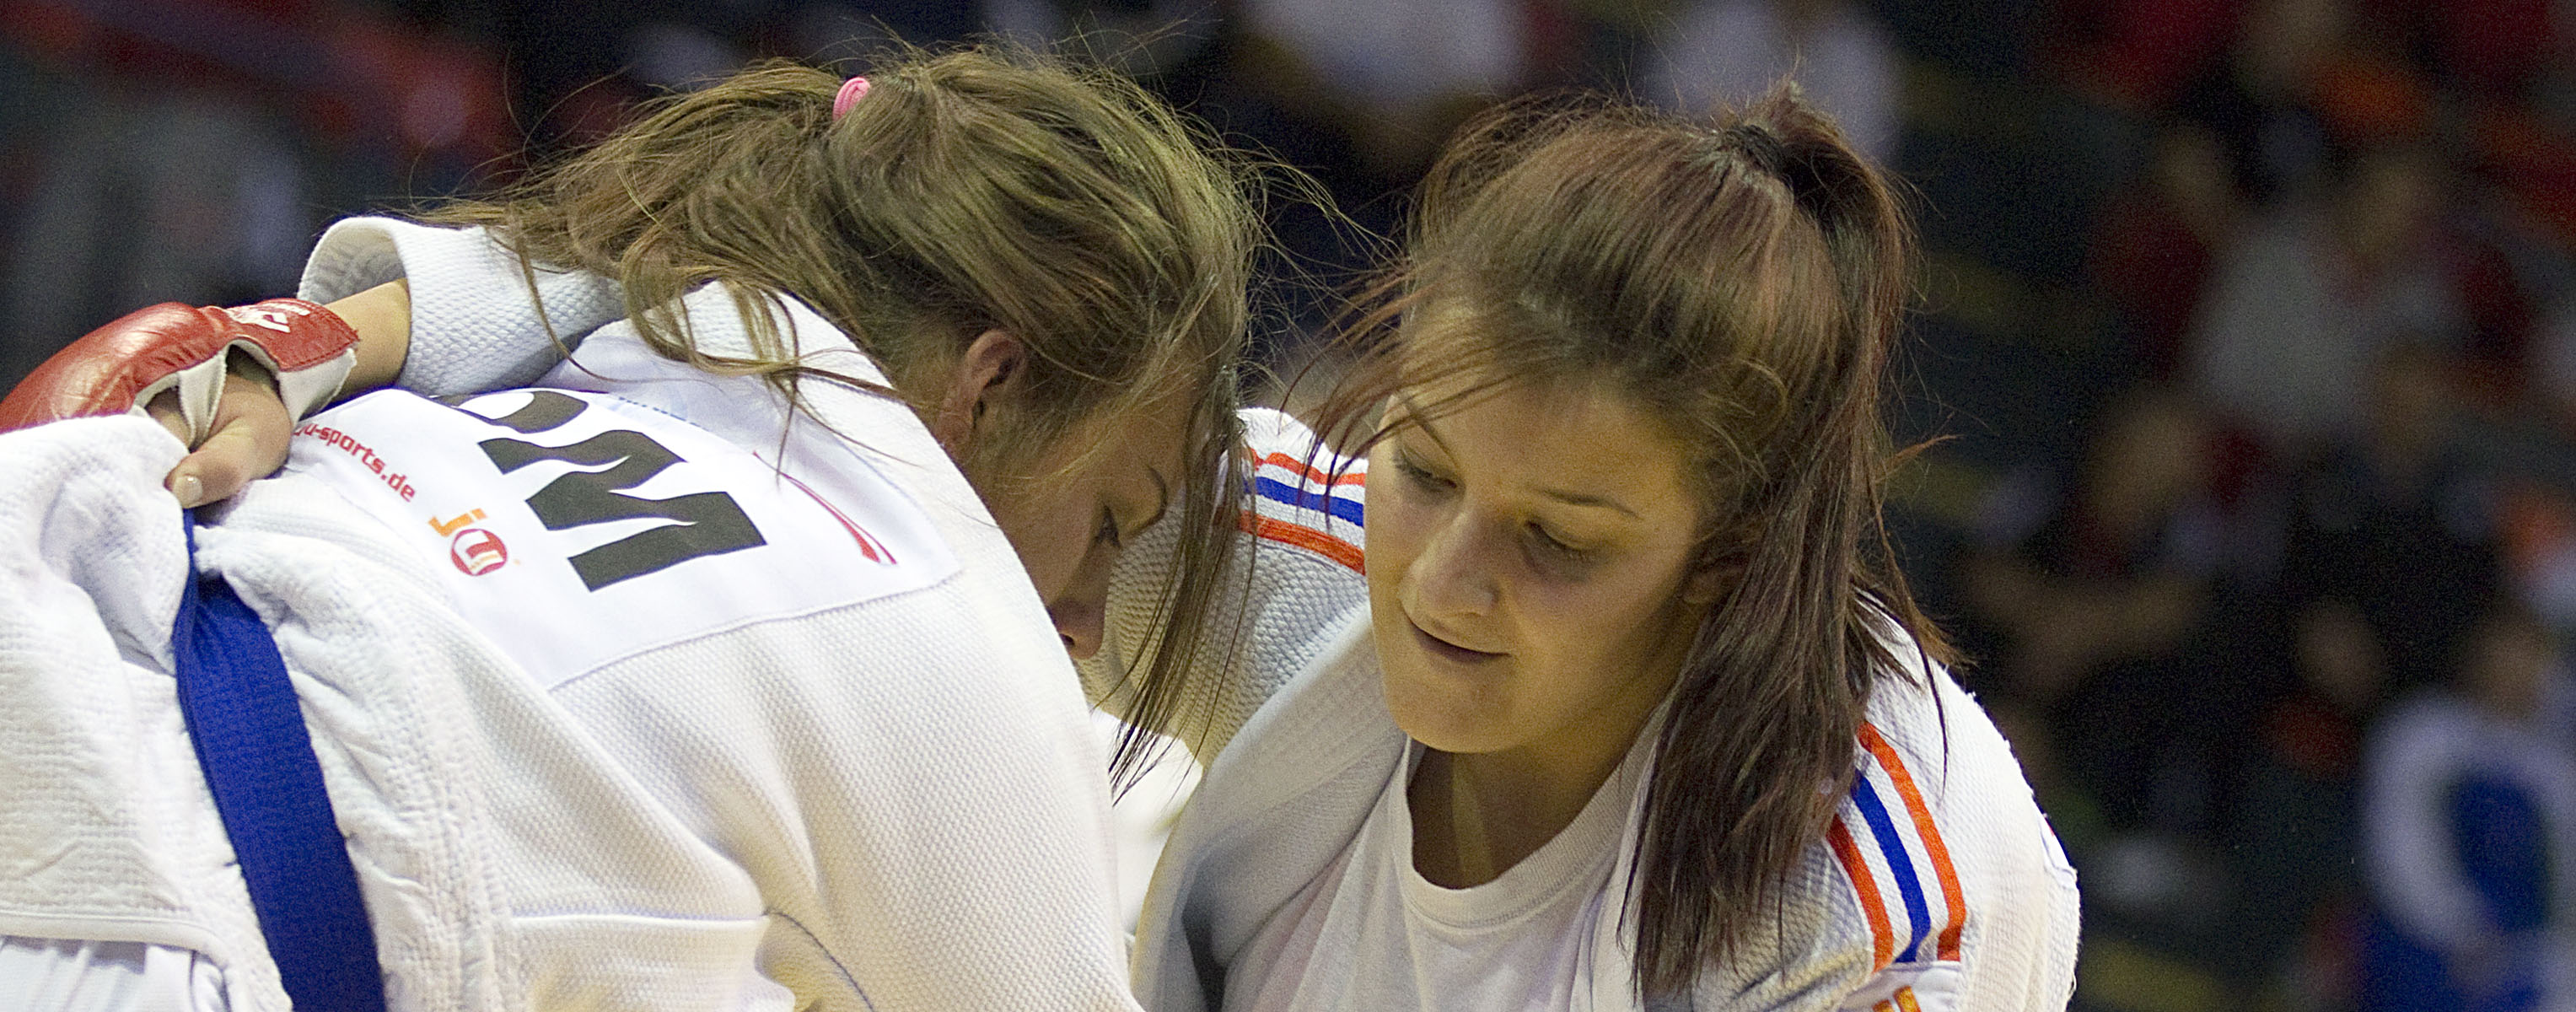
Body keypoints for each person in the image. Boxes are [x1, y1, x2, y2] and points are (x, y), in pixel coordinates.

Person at [0, 46, 1260, 1010]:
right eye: (1108, 522)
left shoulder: (636, 338)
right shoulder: (960, 631)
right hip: (140, 926)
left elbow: (532, 278)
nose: (1090, 615)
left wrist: (308, 347)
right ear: (985, 389)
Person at [1112, 87, 2079, 1009]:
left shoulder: (1853, 886)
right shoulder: (1290, 561)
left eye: (1557, 540)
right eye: (1424, 471)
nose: (1443, 583)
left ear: (1728, 557)